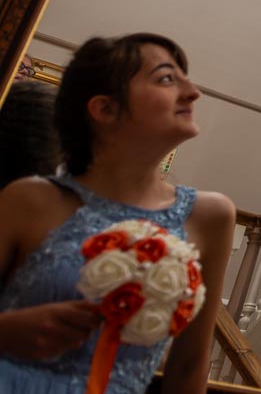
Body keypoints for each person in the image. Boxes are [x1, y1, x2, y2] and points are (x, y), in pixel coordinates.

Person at [0, 34, 235, 394]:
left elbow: (188, 365)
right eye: (167, 78)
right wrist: (9, 330)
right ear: (105, 109)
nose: (193, 92)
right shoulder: (28, 199)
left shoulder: (211, 216)